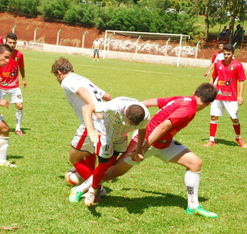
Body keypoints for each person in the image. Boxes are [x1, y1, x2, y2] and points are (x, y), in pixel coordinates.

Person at [75, 83, 219, 218]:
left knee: (195, 163)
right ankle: (80, 189)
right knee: (111, 173)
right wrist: (142, 148)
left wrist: (137, 108)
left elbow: (150, 102)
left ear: (195, 92)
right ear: (209, 103)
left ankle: (193, 207)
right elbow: (163, 127)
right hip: (147, 141)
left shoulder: (182, 99)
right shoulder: (189, 109)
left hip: (164, 143)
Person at [69, 97, 150, 206]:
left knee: (109, 166)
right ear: (126, 113)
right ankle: (85, 190)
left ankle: (94, 188)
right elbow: (87, 108)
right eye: (130, 123)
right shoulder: (115, 107)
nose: (132, 127)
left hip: (121, 137)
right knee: (103, 165)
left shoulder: (145, 116)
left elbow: (142, 129)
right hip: (106, 133)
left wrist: (139, 150)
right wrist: (91, 129)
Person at [51, 57, 111, 188]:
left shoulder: (67, 81)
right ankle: (92, 182)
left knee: (74, 158)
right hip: (104, 122)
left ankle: (96, 187)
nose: (57, 79)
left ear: (59, 72)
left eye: (56, 76)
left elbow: (82, 91)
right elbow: (107, 97)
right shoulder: (83, 79)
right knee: (88, 152)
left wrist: (94, 109)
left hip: (91, 122)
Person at [204, 44, 246, 148]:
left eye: (228, 54)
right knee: (214, 116)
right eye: (224, 54)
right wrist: (209, 92)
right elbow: (213, 78)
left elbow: (241, 80)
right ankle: (211, 140)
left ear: (233, 54)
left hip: (231, 97)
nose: (226, 56)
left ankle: (238, 137)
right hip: (218, 95)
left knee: (234, 118)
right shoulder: (218, 64)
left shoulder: (238, 65)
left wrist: (240, 96)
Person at [0, 33, 26, 136]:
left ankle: (17, 129)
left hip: (14, 86)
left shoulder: (19, 54)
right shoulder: (0, 53)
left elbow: (21, 67)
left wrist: (24, 78)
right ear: (5, 42)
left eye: (14, 43)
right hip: (0, 86)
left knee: (19, 105)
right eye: (10, 42)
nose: (12, 45)